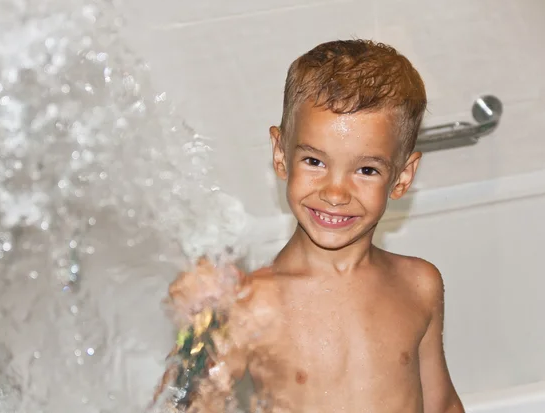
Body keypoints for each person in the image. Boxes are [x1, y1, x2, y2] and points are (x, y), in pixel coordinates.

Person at [156, 39, 465, 413]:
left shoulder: (419, 285)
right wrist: (196, 332)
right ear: (280, 153)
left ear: (402, 177)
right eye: (315, 162)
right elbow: (186, 406)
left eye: (366, 170)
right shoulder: (254, 304)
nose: (335, 192)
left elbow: (442, 404)